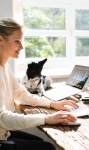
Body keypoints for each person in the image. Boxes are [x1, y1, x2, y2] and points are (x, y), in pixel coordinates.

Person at [0, 18, 79, 150]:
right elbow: (2, 118)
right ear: (0, 40)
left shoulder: (5, 67)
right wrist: (46, 118)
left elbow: (21, 95)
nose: (21, 47)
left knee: (42, 142)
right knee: (48, 148)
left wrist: (52, 104)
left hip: (4, 132)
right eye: (17, 41)